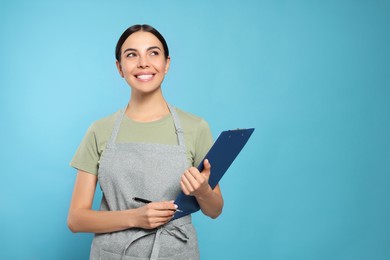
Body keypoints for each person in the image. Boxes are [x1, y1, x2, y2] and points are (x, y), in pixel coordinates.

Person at [67, 24, 224, 260]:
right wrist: (136, 217)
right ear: (119, 67)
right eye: (132, 55)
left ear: (167, 63)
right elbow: (76, 219)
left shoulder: (196, 128)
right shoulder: (99, 131)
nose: (143, 63)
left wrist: (202, 191)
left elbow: (215, 210)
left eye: (153, 53)